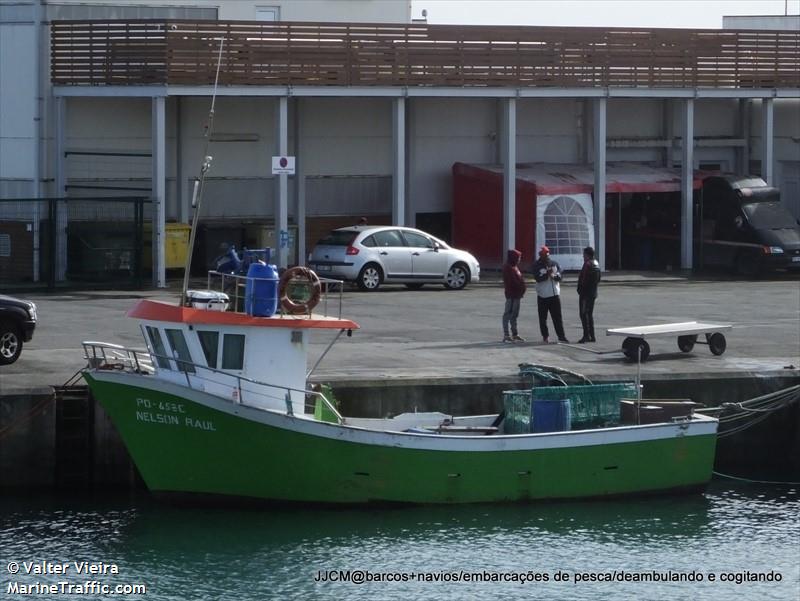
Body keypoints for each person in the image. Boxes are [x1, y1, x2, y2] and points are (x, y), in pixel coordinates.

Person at [532, 245, 568, 343]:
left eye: (548, 255)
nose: (547, 257)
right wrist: (546, 275)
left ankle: (561, 336)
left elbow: (560, 277)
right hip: (543, 295)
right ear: (541, 255)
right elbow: (537, 278)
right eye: (545, 255)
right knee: (543, 318)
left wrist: (554, 276)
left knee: (557, 317)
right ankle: (545, 336)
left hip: (555, 295)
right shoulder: (536, 265)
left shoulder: (554, 264)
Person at [577, 246, 601, 343]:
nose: (583, 256)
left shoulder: (587, 264)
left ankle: (586, 336)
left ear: (587, 255)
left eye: (584, 254)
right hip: (593, 292)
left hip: (585, 294)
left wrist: (580, 290)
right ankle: (592, 335)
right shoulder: (596, 263)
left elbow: (583, 280)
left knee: (583, 314)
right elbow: (598, 279)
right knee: (589, 314)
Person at [501, 249, 526, 343]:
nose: (519, 259)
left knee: (514, 315)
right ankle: (506, 334)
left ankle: (515, 334)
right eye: (518, 257)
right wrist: (520, 287)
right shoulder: (508, 268)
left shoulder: (514, 267)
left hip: (517, 295)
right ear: (514, 258)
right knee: (508, 314)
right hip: (511, 295)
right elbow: (512, 282)